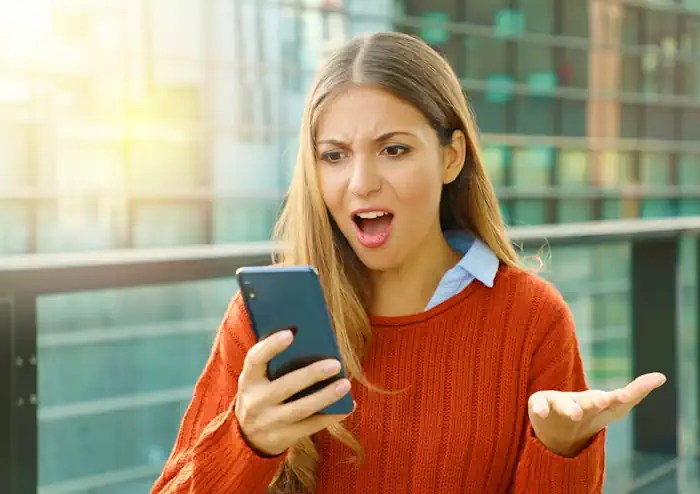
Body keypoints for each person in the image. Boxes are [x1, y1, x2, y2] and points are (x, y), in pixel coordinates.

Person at [151, 31, 666, 493]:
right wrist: (246, 441)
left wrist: (560, 450)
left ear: (451, 156)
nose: (360, 182)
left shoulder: (533, 319)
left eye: (393, 150)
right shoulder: (266, 326)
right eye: (334, 156)